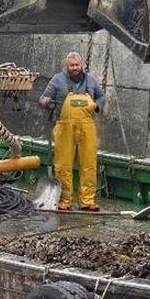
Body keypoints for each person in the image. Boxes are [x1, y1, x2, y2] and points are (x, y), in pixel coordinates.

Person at [38, 52, 105, 211]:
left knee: (89, 165)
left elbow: (101, 97)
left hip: (87, 128)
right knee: (63, 165)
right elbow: (42, 98)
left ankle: (87, 201)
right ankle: (64, 200)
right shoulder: (57, 80)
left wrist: (96, 105)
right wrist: (46, 101)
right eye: (71, 65)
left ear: (82, 65)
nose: (75, 68)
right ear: (66, 67)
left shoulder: (91, 80)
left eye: (77, 65)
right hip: (64, 128)